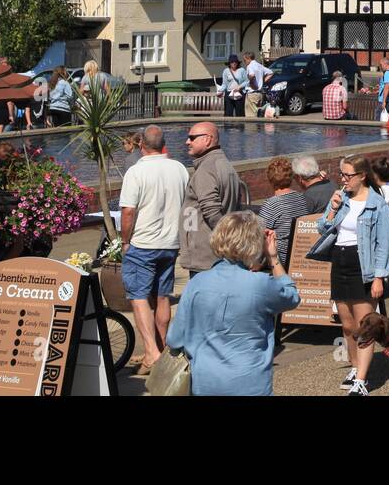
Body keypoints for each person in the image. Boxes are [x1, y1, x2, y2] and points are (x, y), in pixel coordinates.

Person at [165, 211, 301, 396]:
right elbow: (291, 297)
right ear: (254, 244)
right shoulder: (261, 284)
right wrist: (274, 258)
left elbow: (175, 338)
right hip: (250, 382)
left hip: (205, 382)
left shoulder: (197, 283)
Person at [319, 153, 389, 396]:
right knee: (348, 325)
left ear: (362, 176)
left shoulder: (377, 204)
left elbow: (384, 244)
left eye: (348, 175)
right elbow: (323, 227)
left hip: (364, 265)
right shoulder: (343, 199)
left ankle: (362, 379)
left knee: (365, 326)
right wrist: (332, 208)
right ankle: (354, 367)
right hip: (340, 262)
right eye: (341, 174)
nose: (343, 179)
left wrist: (379, 277)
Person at [119, 125, 189, 371]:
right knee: (163, 297)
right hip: (171, 243)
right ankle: (161, 349)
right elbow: (188, 206)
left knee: (138, 297)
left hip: (143, 243)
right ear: (163, 144)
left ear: (141, 145)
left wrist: (125, 240)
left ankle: (151, 352)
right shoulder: (180, 169)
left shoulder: (136, 172)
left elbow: (128, 211)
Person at [179, 121, 244, 277]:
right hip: (216, 255)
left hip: (204, 256)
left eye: (192, 137)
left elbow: (212, 211)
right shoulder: (226, 165)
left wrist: (225, 240)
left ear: (207, 139)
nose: (187, 142)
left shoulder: (207, 169)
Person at [258, 157, 310, 268]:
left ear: (270, 179)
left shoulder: (271, 204)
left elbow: (258, 234)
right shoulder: (302, 198)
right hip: (299, 255)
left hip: (280, 259)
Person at [243, 51, 271, 117]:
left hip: (252, 94)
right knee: (258, 116)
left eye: (245, 60)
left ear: (248, 58)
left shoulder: (249, 66)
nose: (244, 62)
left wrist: (253, 85)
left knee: (251, 118)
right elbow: (270, 73)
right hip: (260, 94)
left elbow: (252, 75)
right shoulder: (260, 65)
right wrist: (262, 81)